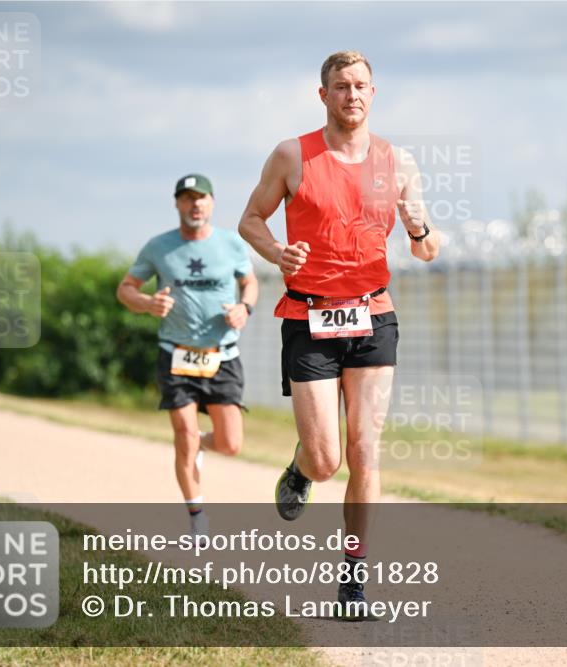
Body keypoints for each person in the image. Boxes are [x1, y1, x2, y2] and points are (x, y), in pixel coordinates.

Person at [238, 51, 440, 617]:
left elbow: (427, 249)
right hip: (309, 317)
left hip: (374, 316)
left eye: (361, 86)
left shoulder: (397, 163)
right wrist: (278, 251)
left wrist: (419, 228)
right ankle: (302, 467)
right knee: (328, 459)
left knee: (365, 451)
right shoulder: (291, 155)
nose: (352, 95)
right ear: (322, 94)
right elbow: (250, 219)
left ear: (374, 94)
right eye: (340, 86)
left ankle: (353, 578)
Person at [117, 174, 258, 539]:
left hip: (222, 355)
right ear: (177, 204)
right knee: (184, 432)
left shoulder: (230, 244)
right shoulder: (158, 247)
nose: (195, 204)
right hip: (175, 355)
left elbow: (250, 283)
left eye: (202, 198)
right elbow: (125, 289)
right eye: (187, 198)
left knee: (230, 444)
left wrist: (245, 308)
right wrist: (148, 303)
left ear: (212, 202)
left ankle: (200, 447)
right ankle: (197, 515)